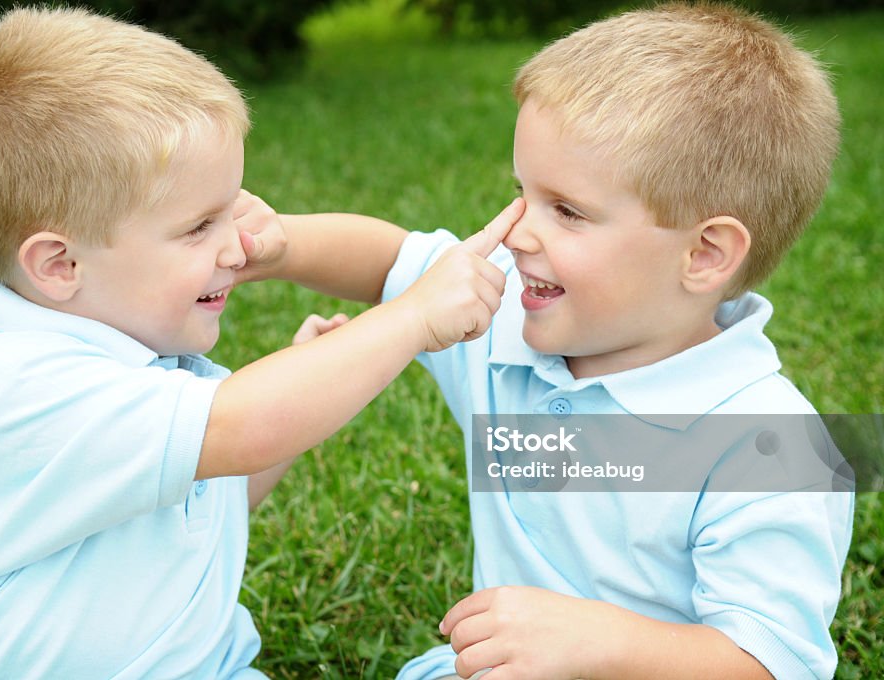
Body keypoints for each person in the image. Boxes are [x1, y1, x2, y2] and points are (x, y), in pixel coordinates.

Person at [0, 7, 523, 678]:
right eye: (200, 226)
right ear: (61, 265)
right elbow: (244, 427)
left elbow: (206, 490)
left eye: (230, 212)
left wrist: (300, 377)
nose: (237, 246)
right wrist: (412, 317)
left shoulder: (147, 363)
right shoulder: (21, 385)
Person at [244, 4, 854, 678]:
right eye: (522, 195)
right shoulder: (506, 322)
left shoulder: (777, 443)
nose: (516, 234)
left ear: (706, 253)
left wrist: (594, 642)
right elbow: (397, 263)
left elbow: (773, 663)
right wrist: (279, 245)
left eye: (567, 211)